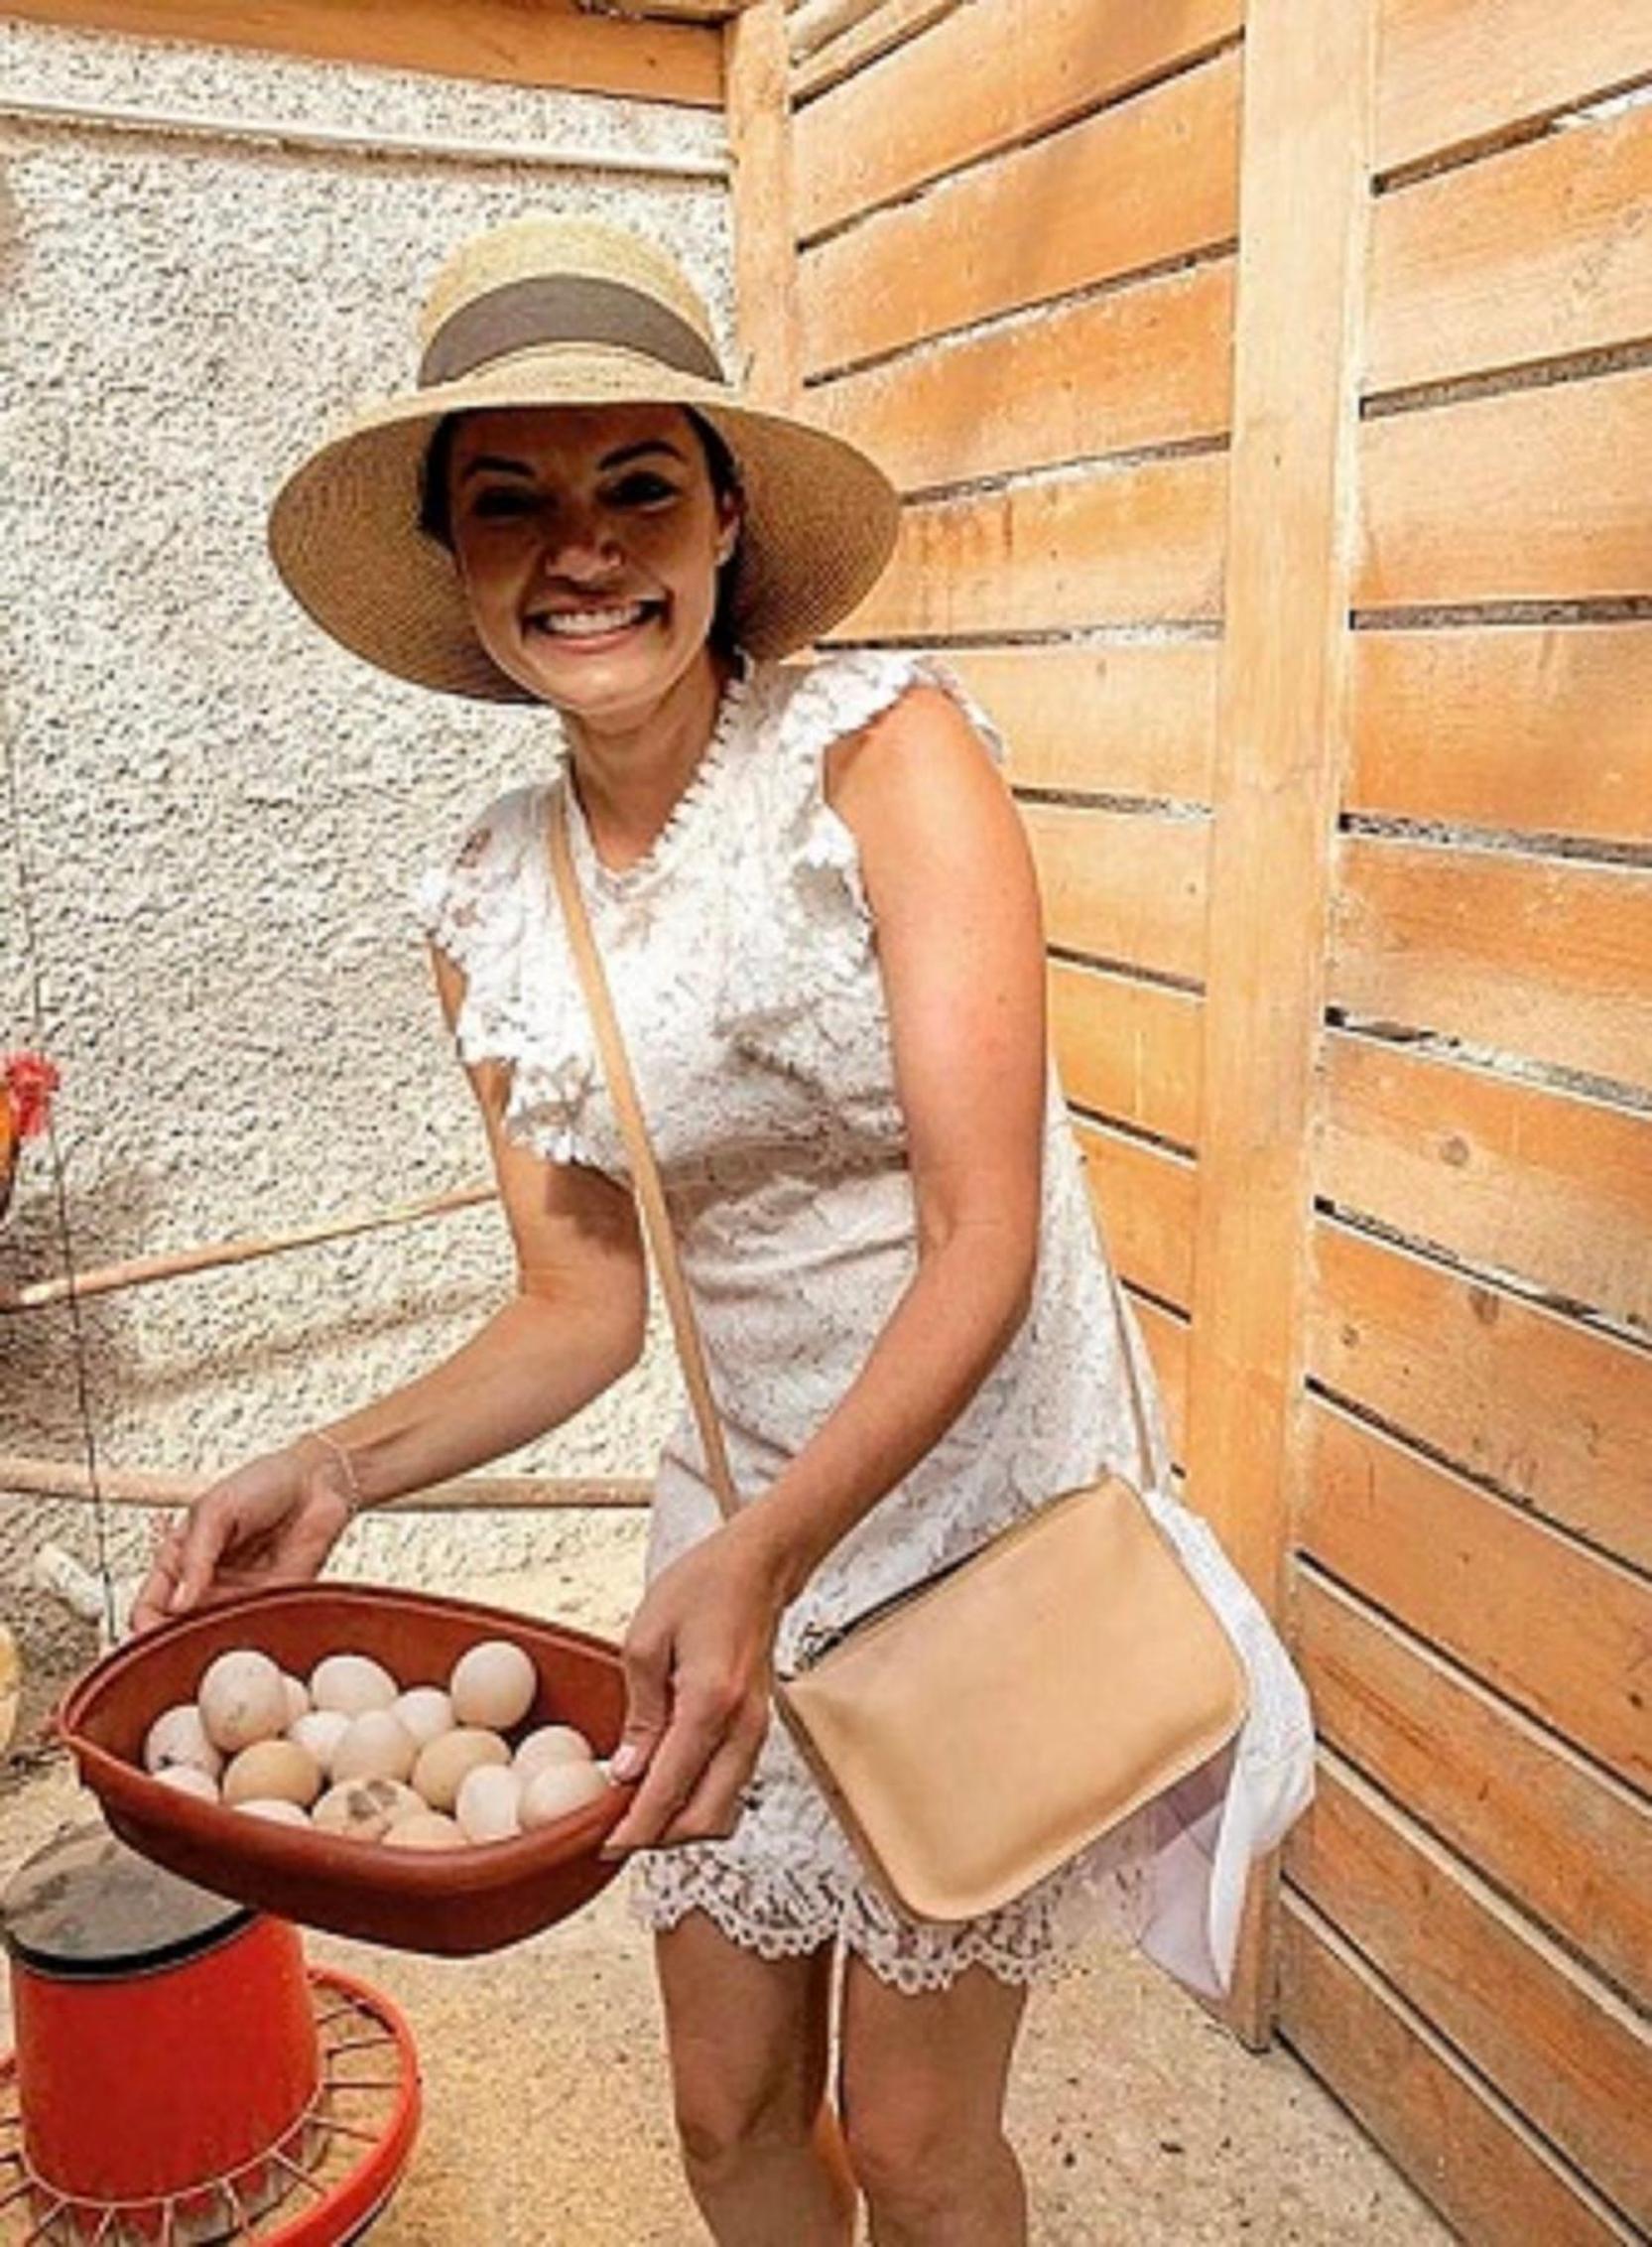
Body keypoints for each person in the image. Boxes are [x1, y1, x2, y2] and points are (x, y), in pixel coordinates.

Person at [132, 214, 1315, 2245]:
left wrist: (775, 1556)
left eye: (638, 487)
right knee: (720, 2104)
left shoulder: (881, 757)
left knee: (913, 2139)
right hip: (735, 1510)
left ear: (727, 519)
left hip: (974, 1497)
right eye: (510, 502)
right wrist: (332, 1463)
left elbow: (983, 1234)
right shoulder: (486, 900)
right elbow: (577, 1303)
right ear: (455, 560)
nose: (581, 549)